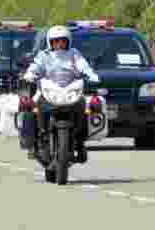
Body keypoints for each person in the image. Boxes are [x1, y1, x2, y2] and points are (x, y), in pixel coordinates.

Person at [22, 25, 100, 163]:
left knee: (84, 106)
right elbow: (35, 66)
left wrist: (91, 75)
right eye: (55, 41)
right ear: (50, 42)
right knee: (33, 107)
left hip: (71, 91)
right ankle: (39, 138)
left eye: (62, 41)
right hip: (48, 90)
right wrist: (30, 74)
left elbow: (83, 65)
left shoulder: (74, 54)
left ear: (67, 41)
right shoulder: (44, 55)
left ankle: (80, 142)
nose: (59, 44)